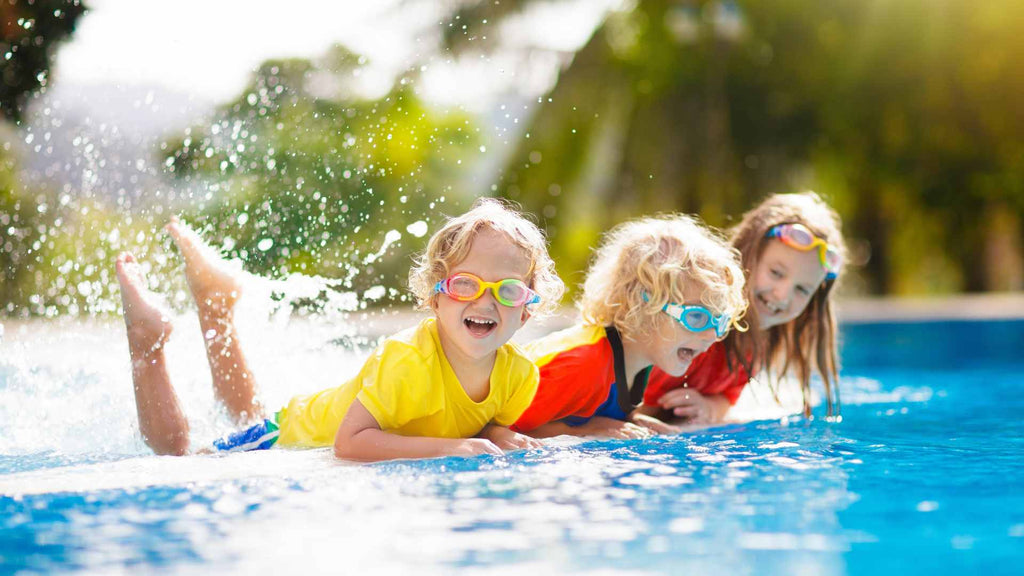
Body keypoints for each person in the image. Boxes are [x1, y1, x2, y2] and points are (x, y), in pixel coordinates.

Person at [116, 198, 565, 461]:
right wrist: (451, 449)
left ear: (527, 309)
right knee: (180, 459)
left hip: (307, 425)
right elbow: (349, 444)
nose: (485, 301)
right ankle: (148, 343)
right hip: (293, 432)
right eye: (467, 284)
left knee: (243, 413)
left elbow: (479, 424)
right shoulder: (408, 360)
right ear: (436, 296)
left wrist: (496, 435)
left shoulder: (519, 376)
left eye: (507, 291)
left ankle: (217, 306)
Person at [510, 214, 748, 439]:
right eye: (697, 318)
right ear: (642, 306)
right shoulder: (583, 364)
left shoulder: (637, 362)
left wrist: (634, 420)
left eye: (720, 322)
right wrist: (588, 429)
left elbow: (593, 408)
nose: (713, 335)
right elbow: (503, 429)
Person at [635, 192, 846, 427]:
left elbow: (728, 397)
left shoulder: (754, 343)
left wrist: (710, 407)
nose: (783, 295)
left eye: (802, 290)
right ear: (745, 254)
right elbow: (629, 394)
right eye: (775, 273)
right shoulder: (695, 320)